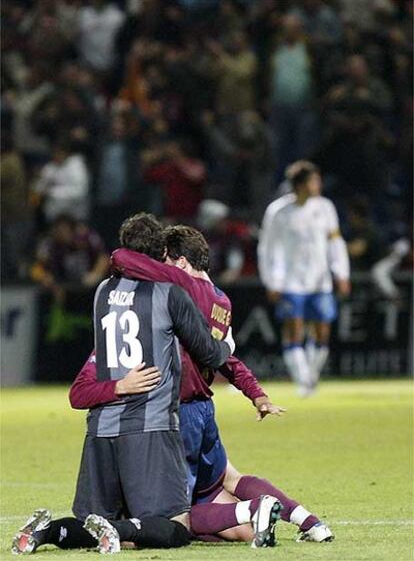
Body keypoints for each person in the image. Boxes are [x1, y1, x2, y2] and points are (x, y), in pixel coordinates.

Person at [70, 223, 333, 544]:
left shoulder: (180, 289)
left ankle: (255, 508)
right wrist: (256, 393)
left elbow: (126, 259)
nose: (158, 268)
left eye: (164, 260)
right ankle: (309, 521)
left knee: (177, 515)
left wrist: (125, 252)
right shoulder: (220, 300)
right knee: (230, 480)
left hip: (173, 413)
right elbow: (225, 357)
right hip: (204, 409)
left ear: (180, 262)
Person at [12, 213, 238, 555]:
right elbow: (207, 351)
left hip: (101, 429)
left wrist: (117, 386)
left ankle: (49, 531)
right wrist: (228, 346)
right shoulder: (170, 294)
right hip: (149, 426)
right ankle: (115, 527)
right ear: (161, 249)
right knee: (176, 528)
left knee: (105, 527)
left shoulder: (102, 292)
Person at [258, 160, 350, 397]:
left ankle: (311, 376)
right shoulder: (278, 212)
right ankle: (303, 381)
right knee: (295, 330)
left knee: (322, 332)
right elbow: (267, 248)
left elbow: (335, 242)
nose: (318, 184)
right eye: (313, 180)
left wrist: (341, 272)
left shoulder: (325, 208)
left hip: (320, 282)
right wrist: (271, 280)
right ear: (300, 185)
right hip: (290, 282)